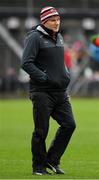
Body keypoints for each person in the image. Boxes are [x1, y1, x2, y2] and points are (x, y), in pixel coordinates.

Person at [22, 6, 76, 175]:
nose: (56, 22)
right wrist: (44, 77)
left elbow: (59, 63)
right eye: (53, 20)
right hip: (42, 92)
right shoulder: (34, 38)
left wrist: (65, 75)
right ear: (44, 21)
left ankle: (52, 161)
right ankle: (38, 167)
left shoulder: (58, 36)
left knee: (69, 125)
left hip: (60, 92)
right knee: (41, 130)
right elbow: (26, 63)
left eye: (58, 19)